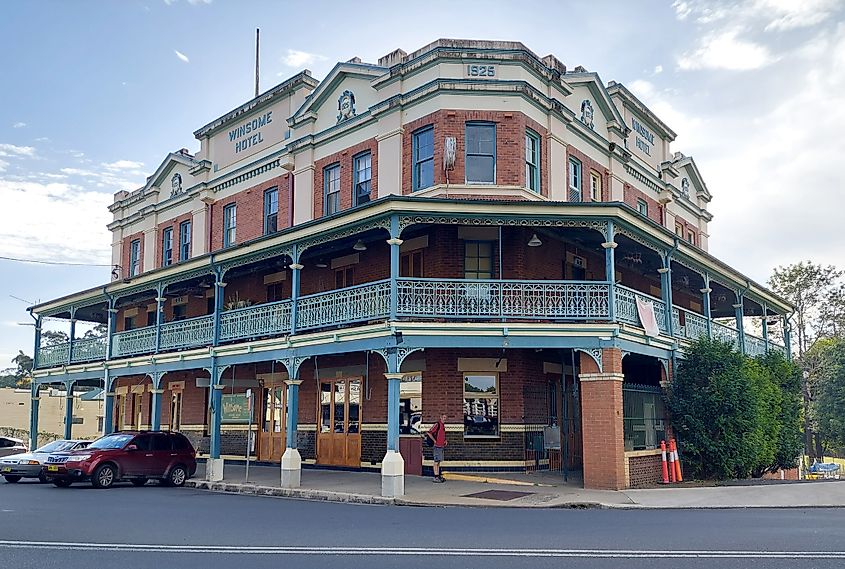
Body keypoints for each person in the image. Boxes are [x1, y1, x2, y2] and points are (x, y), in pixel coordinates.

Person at [426, 413, 448, 483]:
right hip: (437, 446)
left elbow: (441, 434)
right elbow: (429, 432)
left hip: (441, 445)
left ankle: (438, 475)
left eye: (445, 418)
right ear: (440, 417)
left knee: (438, 461)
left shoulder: (443, 425)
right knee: (436, 462)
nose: (445, 419)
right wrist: (434, 440)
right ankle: (435, 477)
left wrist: (444, 440)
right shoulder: (437, 424)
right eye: (444, 417)